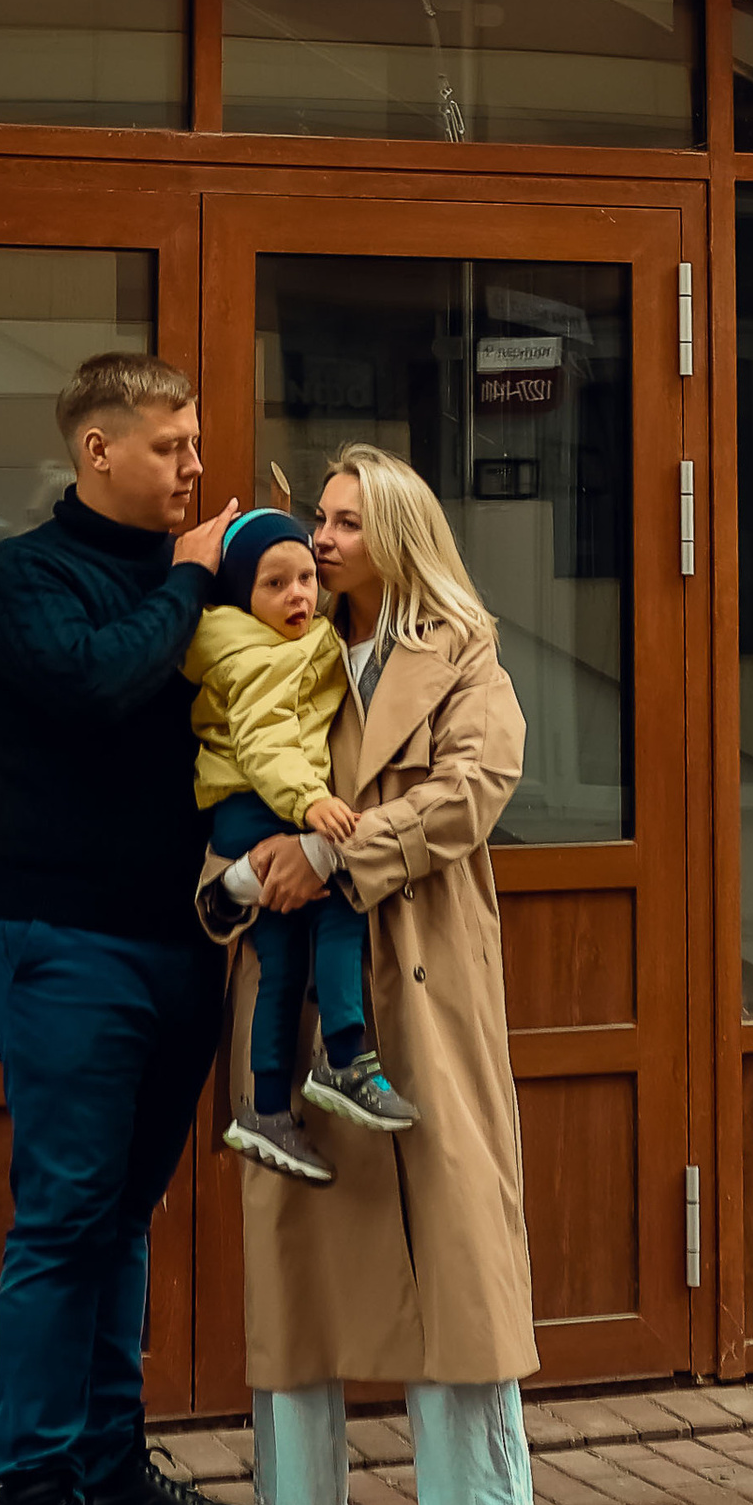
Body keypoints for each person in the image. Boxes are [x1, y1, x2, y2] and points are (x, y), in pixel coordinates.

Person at [201, 443, 538, 1505]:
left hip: (421, 968)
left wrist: (333, 854)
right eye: (320, 520)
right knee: (295, 1238)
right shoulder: (274, 643)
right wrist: (242, 876)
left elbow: (477, 786)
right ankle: (299, 1504)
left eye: (347, 521)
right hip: (294, 977)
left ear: (395, 532)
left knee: (452, 1234)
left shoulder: (461, 649)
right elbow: (218, 777)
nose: (324, 538)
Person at [0, 350, 258, 1505]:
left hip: (186, 937)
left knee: (131, 1210)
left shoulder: (205, 581)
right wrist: (195, 576)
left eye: (197, 447)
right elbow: (96, 683)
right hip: (65, 937)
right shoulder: (27, 577)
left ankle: (107, 1466)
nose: (196, 470)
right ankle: (35, 1501)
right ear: (97, 449)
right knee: (66, 1213)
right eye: (171, 448)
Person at [187, 506, 419, 1185]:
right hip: (263, 807)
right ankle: (344, 1056)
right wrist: (309, 805)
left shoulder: (274, 641)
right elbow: (264, 743)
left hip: (244, 813)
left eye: (307, 580)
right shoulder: (257, 656)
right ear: (241, 597)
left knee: (282, 961)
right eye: (275, 584)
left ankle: (264, 1107)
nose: (299, 596)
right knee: (342, 902)